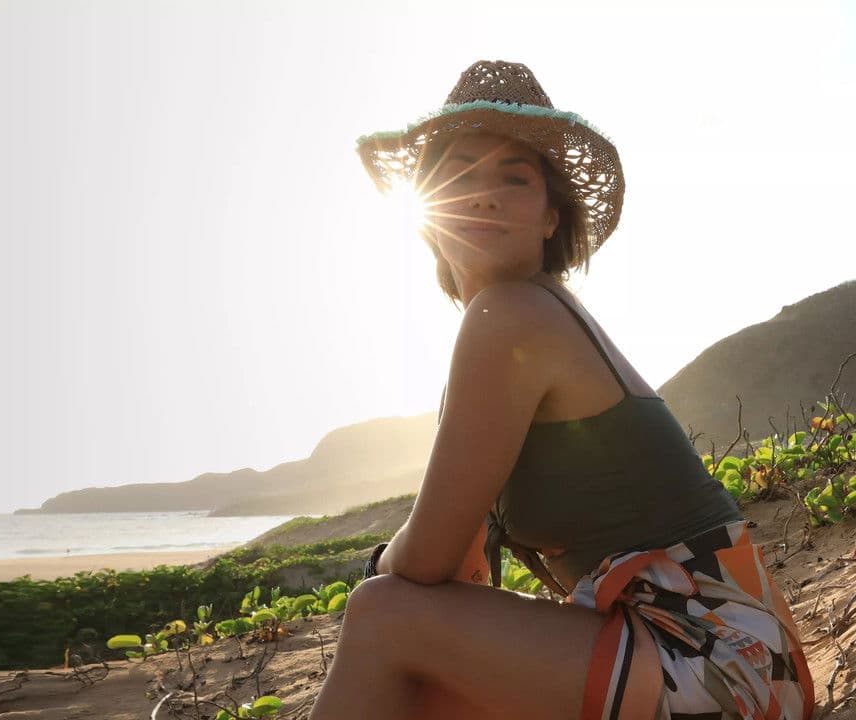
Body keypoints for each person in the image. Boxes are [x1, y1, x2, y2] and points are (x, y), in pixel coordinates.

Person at [307, 60, 813, 720]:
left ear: (551, 216)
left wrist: (378, 565)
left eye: (513, 178)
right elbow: (461, 569)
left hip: (718, 659)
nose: (483, 195)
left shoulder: (511, 316)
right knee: (428, 675)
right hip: (739, 660)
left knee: (383, 612)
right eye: (459, 174)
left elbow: (426, 561)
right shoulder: (517, 323)